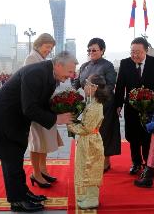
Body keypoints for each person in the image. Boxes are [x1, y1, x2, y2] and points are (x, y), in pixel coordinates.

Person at [0, 51, 77, 212]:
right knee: (11, 159)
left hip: (14, 118)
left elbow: (41, 103)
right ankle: (17, 201)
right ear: (59, 65)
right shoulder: (36, 73)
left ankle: (23, 193)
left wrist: (61, 109)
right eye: (70, 71)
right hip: (3, 118)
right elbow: (30, 107)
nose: (72, 75)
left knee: (15, 158)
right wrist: (56, 119)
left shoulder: (50, 74)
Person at [115, 37, 154, 175]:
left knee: (147, 137)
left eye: (138, 52)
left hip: (150, 108)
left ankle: (149, 164)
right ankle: (136, 163)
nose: (135, 55)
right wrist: (118, 105)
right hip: (131, 108)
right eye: (132, 52)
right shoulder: (125, 63)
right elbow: (120, 87)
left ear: (146, 51)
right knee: (133, 137)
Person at [71, 38, 121, 172]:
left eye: (94, 50)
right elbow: (76, 82)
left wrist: (96, 93)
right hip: (89, 103)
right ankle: (93, 160)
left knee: (104, 133)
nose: (91, 52)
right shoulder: (84, 66)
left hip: (105, 104)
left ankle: (105, 162)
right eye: (89, 50)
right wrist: (70, 93)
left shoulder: (108, 66)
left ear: (102, 50)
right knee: (90, 133)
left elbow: (110, 85)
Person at [24, 33, 62, 188]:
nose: (48, 50)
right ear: (38, 45)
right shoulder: (31, 59)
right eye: (47, 47)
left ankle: (43, 169)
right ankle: (36, 173)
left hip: (44, 106)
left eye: (51, 48)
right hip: (35, 108)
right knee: (36, 142)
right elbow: (31, 85)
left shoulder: (42, 60)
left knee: (43, 141)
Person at [67, 74, 109, 209]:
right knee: (86, 167)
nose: (84, 86)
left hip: (91, 141)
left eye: (87, 84)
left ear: (94, 88)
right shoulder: (92, 102)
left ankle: (92, 199)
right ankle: (88, 195)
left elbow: (86, 128)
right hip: (88, 141)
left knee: (90, 169)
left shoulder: (94, 107)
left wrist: (70, 124)